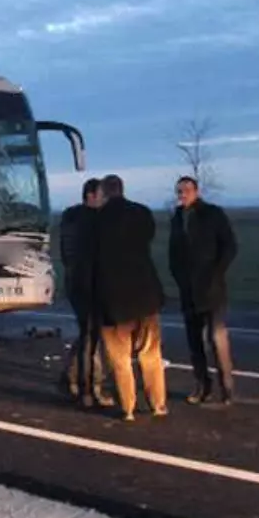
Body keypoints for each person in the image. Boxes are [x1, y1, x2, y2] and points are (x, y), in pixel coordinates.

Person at [93, 174, 168, 422]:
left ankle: (127, 407)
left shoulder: (97, 220)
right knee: (151, 353)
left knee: (119, 358)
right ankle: (158, 403)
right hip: (145, 293)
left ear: (104, 192)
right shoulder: (142, 213)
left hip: (113, 299)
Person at [169, 176, 239, 405]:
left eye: (187, 190)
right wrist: (179, 277)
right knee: (194, 342)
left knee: (216, 337)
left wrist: (217, 272)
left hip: (212, 288)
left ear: (196, 191)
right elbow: (174, 252)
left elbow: (229, 245)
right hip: (188, 289)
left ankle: (226, 387)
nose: (183, 194)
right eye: (179, 191)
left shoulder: (212, 214)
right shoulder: (177, 218)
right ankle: (202, 385)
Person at [58, 177, 110, 408]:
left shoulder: (70, 217)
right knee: (91, 336)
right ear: (91, 196)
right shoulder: (91, 220)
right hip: (87, 283)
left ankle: (71, 379)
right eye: (101, 195)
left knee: (87, 333)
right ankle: (90, 388)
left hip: (74, 282)